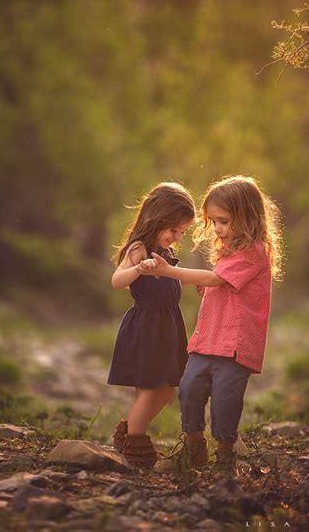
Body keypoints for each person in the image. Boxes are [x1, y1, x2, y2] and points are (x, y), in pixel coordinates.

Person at [138, 175, 283, 473]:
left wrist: (169, 272)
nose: (217, 228)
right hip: (208, 340)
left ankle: (226, 456)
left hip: (234, 346)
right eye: (213, 221)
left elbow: (216, 279)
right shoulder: (227, 250)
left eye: (224, 221)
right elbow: (220, 286)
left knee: (224, 401)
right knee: (189, 389)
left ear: (248, 217)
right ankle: (194, 448)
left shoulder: (255, 251)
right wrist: (205, 287)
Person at [108, 182, 195, 468]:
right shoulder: (140, 248)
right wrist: (138, 268)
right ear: (156, 218)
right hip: (146, 326)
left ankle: (129, 430)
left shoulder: (165, 252)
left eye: (182, 232)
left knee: (168, 388)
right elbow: (117, 281)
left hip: (168, 326)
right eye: (173, 230)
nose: (177, 236)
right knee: (148, 388)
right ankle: (136, 445)